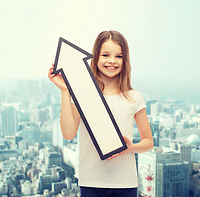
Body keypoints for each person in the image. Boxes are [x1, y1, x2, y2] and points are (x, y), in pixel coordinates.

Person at [48, 30, 153, 197]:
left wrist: (129, 148)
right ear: (96, 57)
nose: (112, 61)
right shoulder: (83, 94)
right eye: (105, 55)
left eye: (119, 56)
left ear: (125, 60)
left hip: (125, 183)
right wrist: (65, 91)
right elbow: (68, 134)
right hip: (90, 182)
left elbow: (148, 141)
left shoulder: (134, 97)